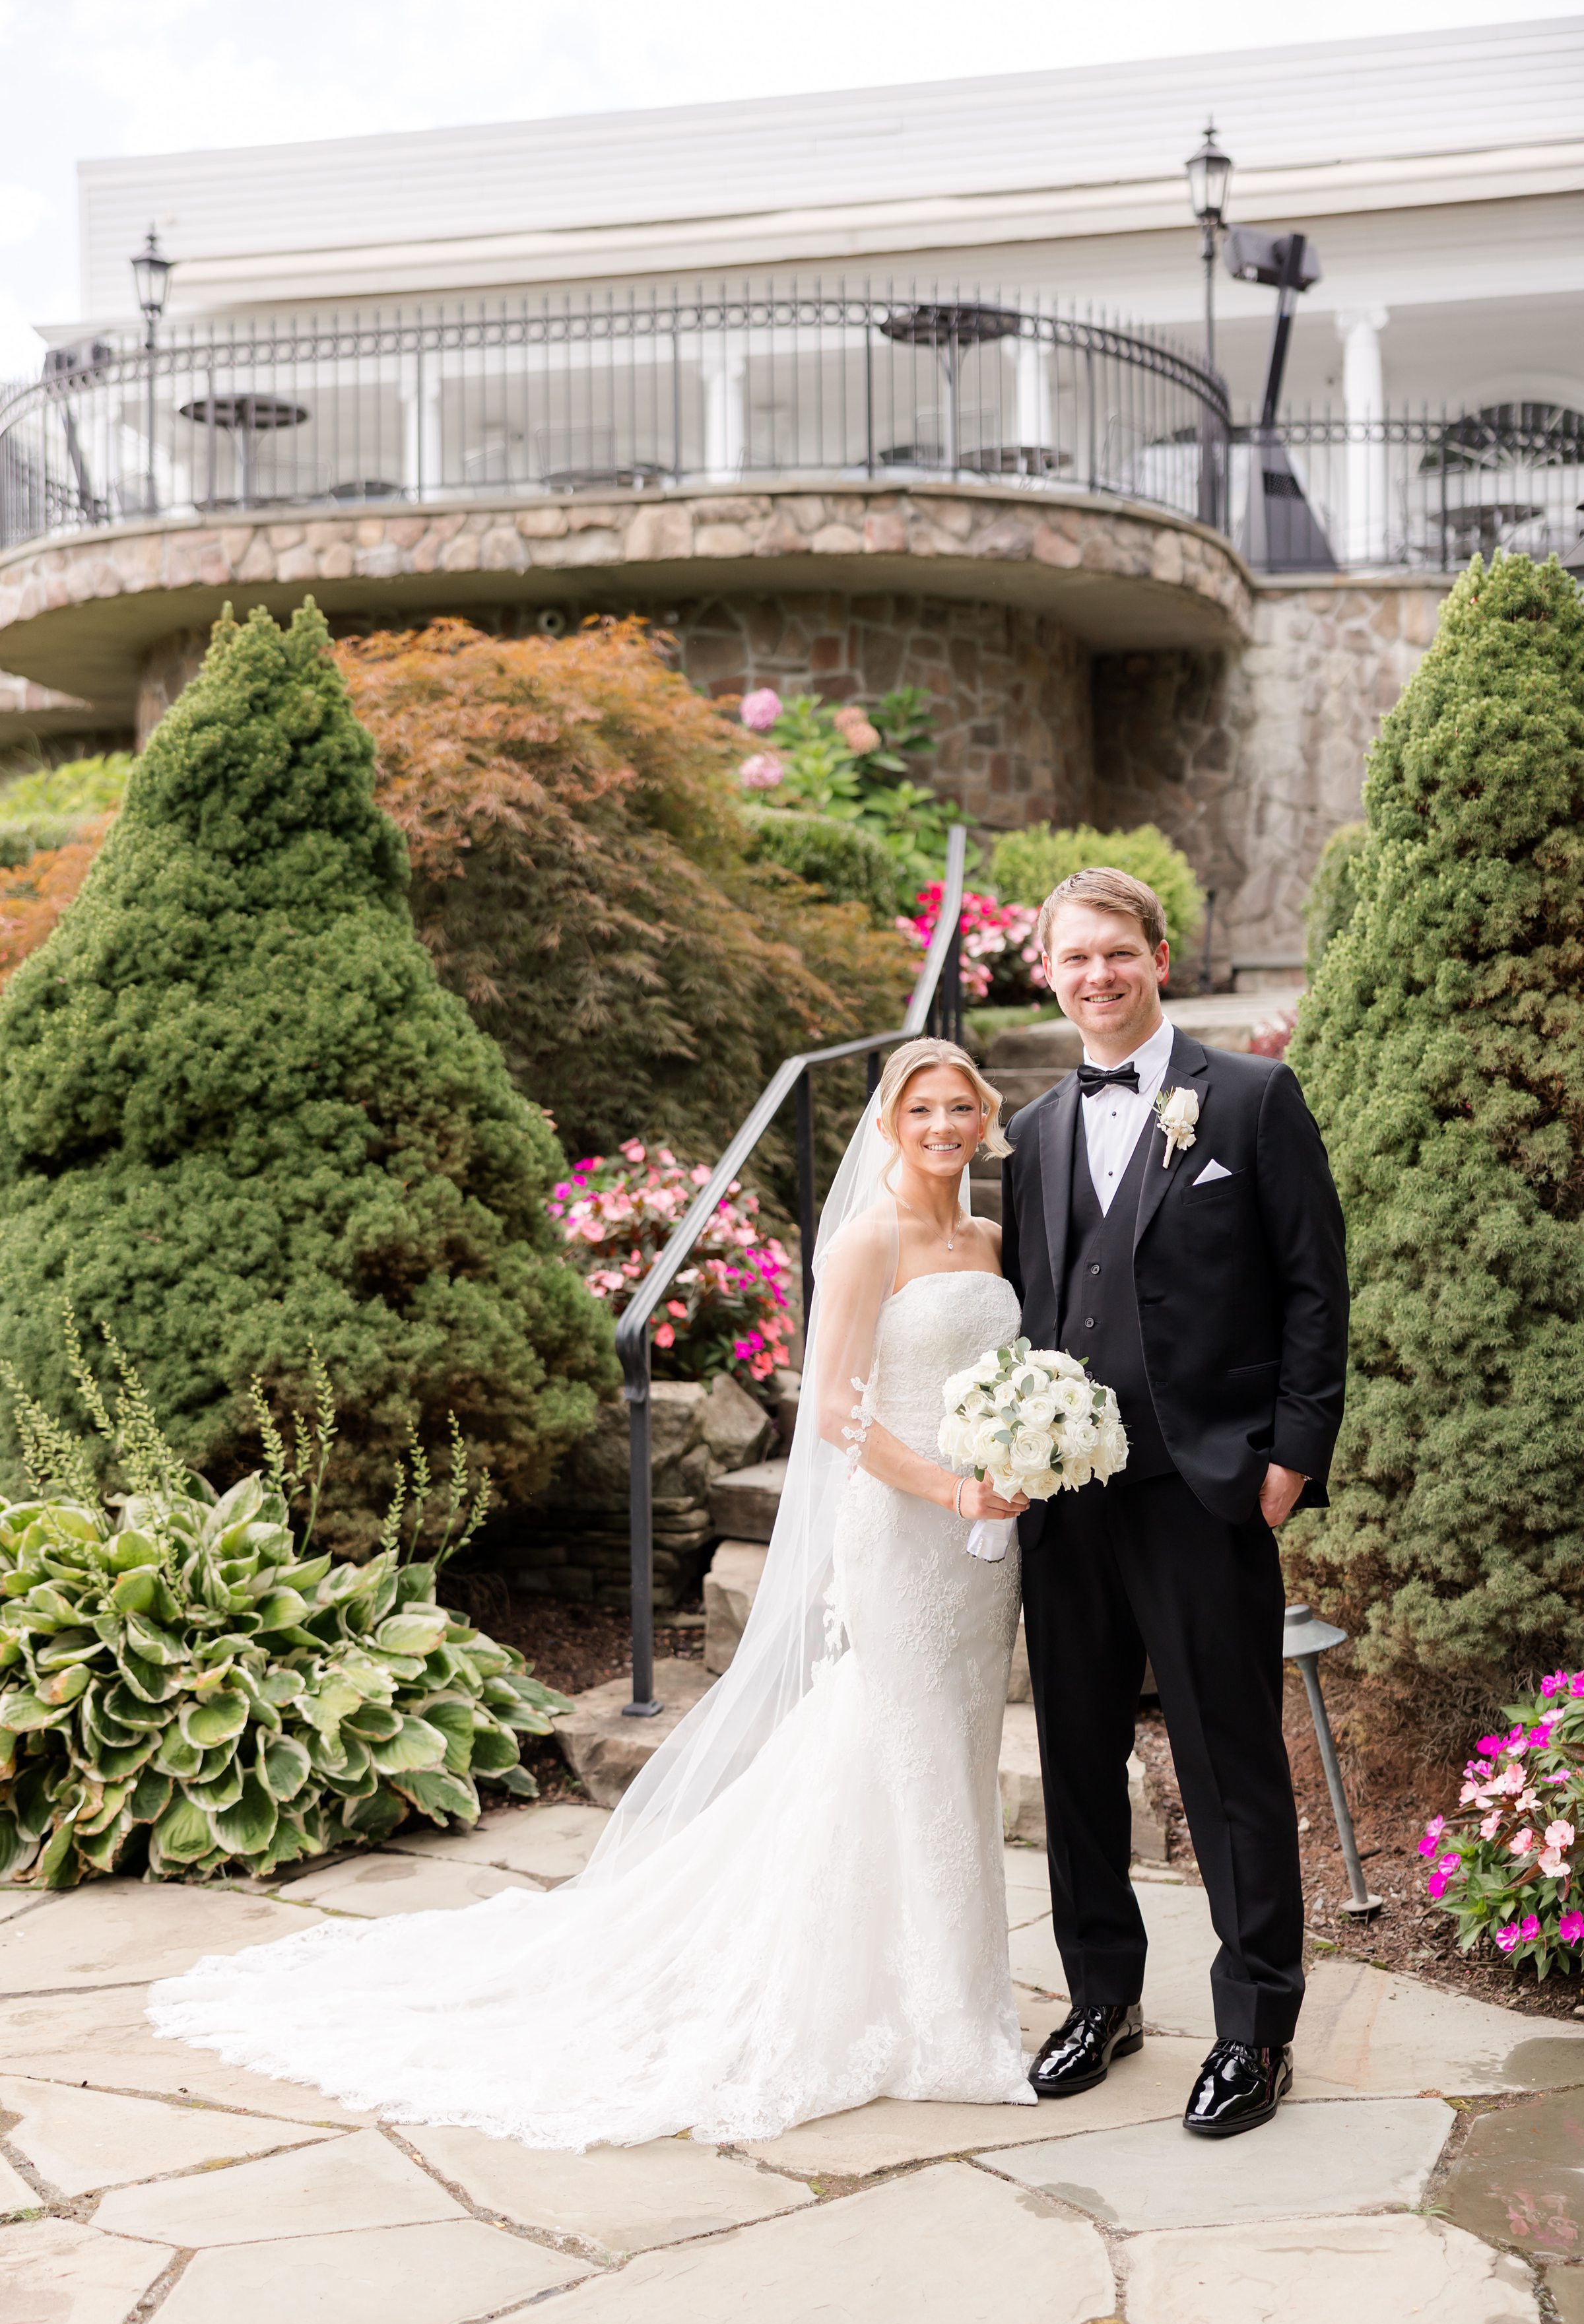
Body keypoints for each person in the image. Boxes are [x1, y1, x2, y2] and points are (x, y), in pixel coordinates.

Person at [147, 1041, 1040, 2149]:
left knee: (948, 1752)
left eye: (963, 1106)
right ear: (890, 1123)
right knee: (906, 1746)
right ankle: (944, 2025)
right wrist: (955, 1488)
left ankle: (929, 1988)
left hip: (979, 1547)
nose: (945, 1124)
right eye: (924, 1108)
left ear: (987, 1118)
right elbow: (835, 1418)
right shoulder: (867, 1241)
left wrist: (1022, 1459)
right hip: (909, 1532)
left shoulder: (992, 1239)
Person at [1002, 866, 1348, 2139]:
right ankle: (1105, 1999)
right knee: (1077, 1758)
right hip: (1066, 1501)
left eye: (1117, 953)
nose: (1096, 976)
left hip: (1206, 1487)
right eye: (1072, 959)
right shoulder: (1033, 1133)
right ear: (1049, 973)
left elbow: (1316, 1283)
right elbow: (1034, 1309)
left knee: (1230, 1763)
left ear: (1159, 953)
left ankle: (1257, 2027)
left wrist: (1290, 1455)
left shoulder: (1251, 1099)